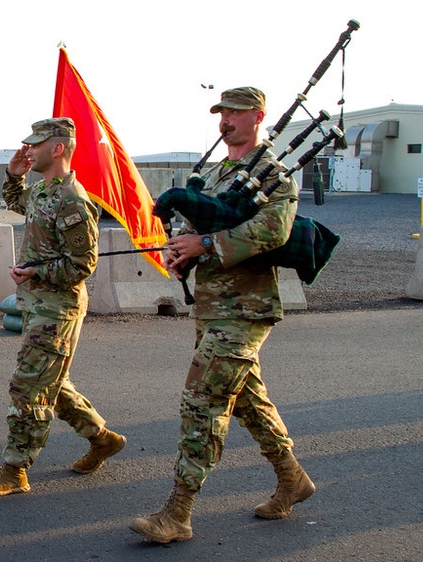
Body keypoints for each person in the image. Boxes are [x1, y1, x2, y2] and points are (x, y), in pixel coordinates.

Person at [130, 87, 314, 543]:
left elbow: (274, 229)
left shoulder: (275, 174)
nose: (225, 120)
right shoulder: (218, 173)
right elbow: (197, 227)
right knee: (248, 401)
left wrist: (208, 244)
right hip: (212, 308)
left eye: (234, 113)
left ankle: (178, 512)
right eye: (221, 113)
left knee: (203, 401)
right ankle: (292, 478)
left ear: (258, 116)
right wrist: (183, 252)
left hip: (246, 310)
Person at [0, 118, 126, 496]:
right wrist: (13, 174)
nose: (29, 150)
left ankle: (14, 468)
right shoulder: (43, 192)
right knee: (52, 384)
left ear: (57, 149)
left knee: (28, 387)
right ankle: (101, 438)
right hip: (38, 304)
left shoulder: (72, 199)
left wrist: (34, 272)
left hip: (58, 310)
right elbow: (14, 201)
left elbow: (82, 265)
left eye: (36, 145)